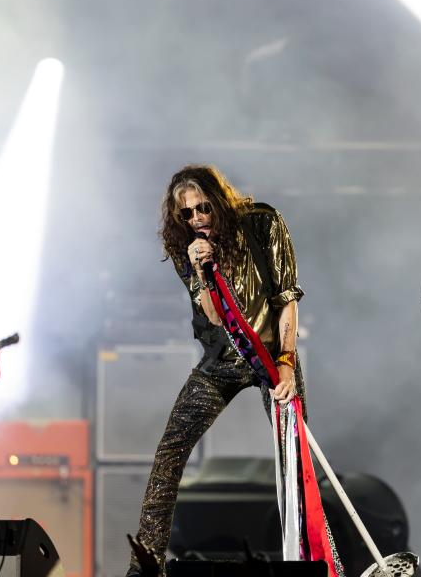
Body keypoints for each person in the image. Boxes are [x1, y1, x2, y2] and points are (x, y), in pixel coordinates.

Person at [126, 165, 309, 576]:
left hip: (270, 357)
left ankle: (317, 559)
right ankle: (145, 568)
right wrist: (200, 273)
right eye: (186, 214)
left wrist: (286, 363)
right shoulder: (186, 249)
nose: (196, 219)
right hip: (221, 362)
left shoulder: (263, 222)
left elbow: (286, 298)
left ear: (219, 200)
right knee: (169, 452)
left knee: (295, 462)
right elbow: (213, 317)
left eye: (203, 208)